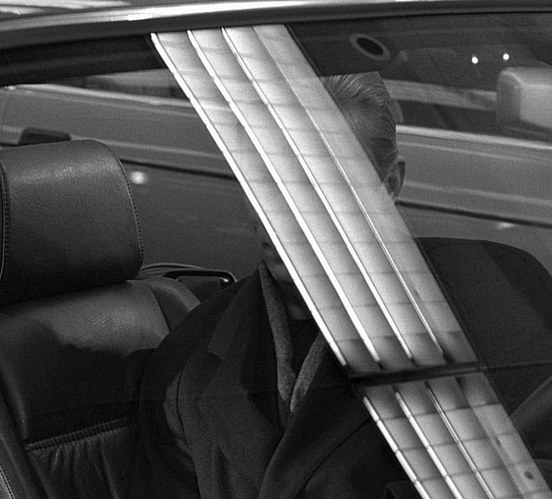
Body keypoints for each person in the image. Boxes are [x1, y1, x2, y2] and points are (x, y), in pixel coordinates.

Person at [134, 73, 412, 498]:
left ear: (388, 187)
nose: (284, 211)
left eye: (320, 182)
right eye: (264, 177)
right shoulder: (185, 365)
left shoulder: (477, 330)